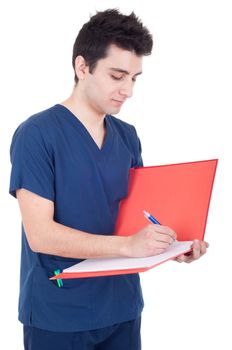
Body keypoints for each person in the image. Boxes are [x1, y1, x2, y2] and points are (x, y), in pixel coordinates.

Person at [9, 8, 209, 350]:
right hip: (59, 313)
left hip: (122, 308)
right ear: (82, 67)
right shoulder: (37, 135)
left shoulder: (127, 137)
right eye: (118, 76)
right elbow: (40, 235)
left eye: (135, 78)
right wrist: (129, 246)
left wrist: (171, 246)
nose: (128, 90)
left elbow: (140, 217)